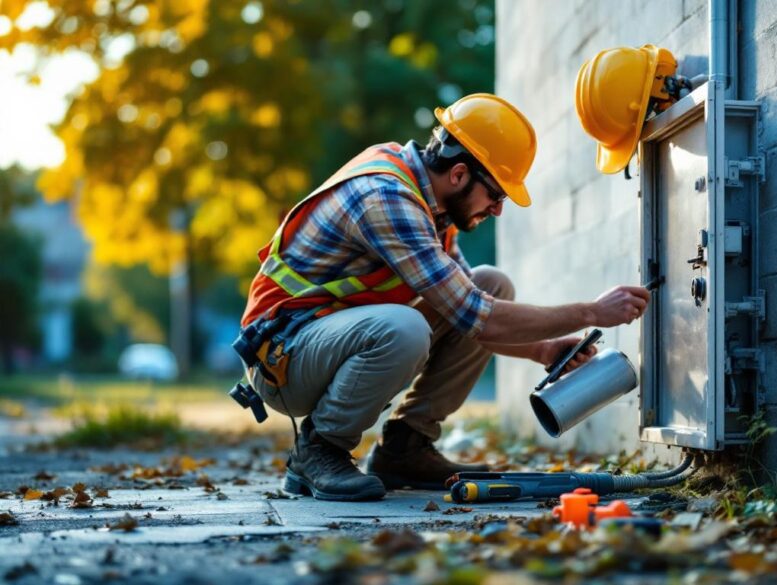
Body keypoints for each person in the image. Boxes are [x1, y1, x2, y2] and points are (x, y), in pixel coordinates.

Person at [238, 93, 651, 501]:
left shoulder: (430, 208)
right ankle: (319, 450)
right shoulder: (388, 198)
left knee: (490, 283)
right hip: (284, 359)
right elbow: (478, 317)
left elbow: (466, 308)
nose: (498, 210)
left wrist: (543, 349)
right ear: (458, 175)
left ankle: (405, 448)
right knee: (405, 328)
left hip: (323, 342)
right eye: (496, 194)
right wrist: (592, 311)